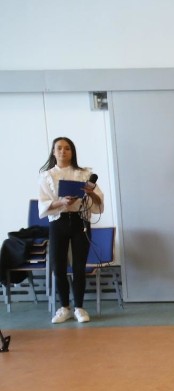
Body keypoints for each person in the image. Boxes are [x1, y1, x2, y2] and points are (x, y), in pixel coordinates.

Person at [38, 137, 105, 324]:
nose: (63, 151)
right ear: (53, 152)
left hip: (79, 221)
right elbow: (43, 205)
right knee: (58, 267)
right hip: (58, 221)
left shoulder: (84, 173)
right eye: (59, 148)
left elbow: (99, 203)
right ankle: (64, 307)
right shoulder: (46, 175)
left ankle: (79, 307)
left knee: (79, 267)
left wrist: (90, 193)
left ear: (72, 152)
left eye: (67, 148)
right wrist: (61, 202)